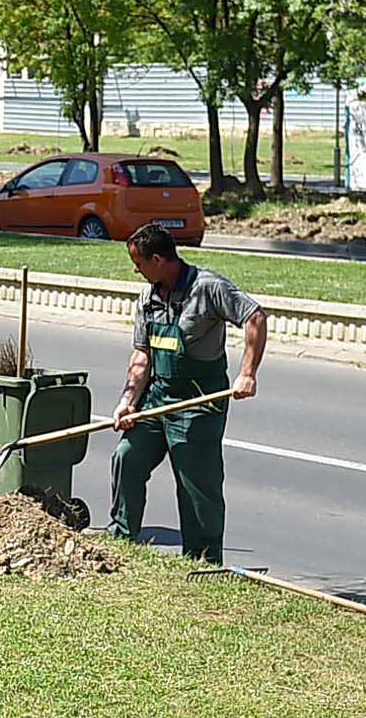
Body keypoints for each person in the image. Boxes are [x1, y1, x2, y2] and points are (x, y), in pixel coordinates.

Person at [109, 224, 269, 565]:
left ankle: (203, 560)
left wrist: (247, 374)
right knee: (127, 456)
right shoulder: (147, 299)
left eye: (138, 263)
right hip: (157, 397)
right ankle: (122, 540)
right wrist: (127, 401)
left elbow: (255, 316)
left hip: (199, 401)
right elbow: (141, 355)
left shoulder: (208, 287)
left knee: (196, 482)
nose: (135, 270)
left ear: (157, 258)